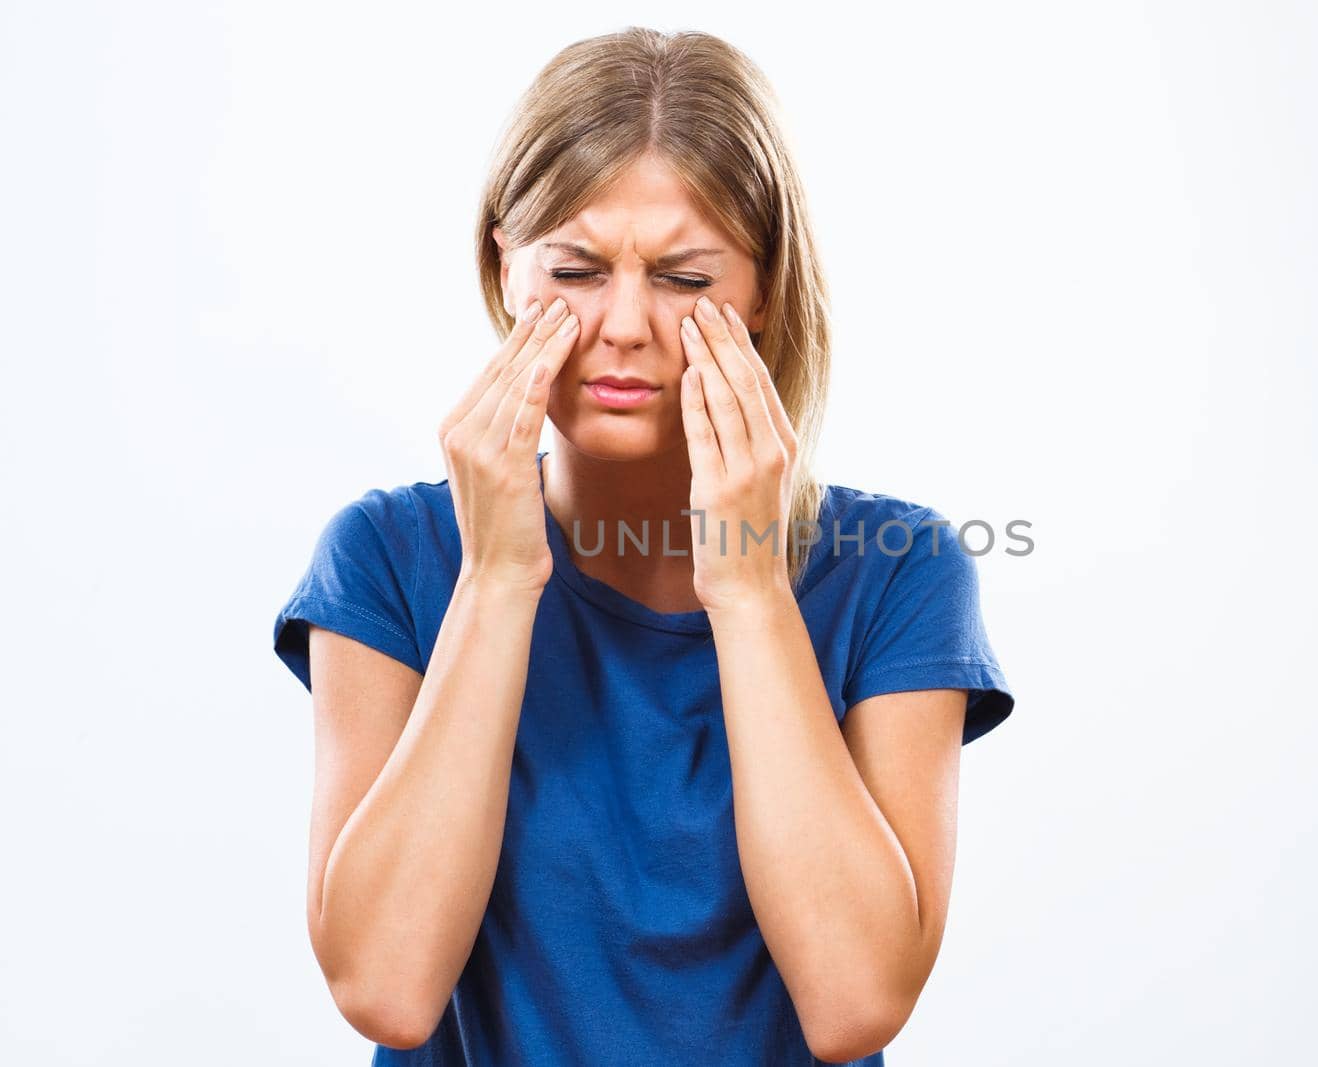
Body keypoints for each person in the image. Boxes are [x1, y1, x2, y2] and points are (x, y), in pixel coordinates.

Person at [271, 26, 1014, 1066]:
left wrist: (751, 590)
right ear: (506, 268)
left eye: (685, 279)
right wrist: (495, 579)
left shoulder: (898, 569)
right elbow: (388, 987)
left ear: (762, 292)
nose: (623, 324)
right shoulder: (388, 556)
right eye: (574, 268)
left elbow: (855, 1002)